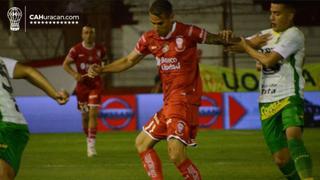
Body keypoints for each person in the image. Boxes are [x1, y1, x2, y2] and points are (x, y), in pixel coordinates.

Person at [88, 0, 238, 179]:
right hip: (169, 103)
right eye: (153, 23)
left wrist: (227, 36)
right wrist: (102, 69)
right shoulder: (149, 39)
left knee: (175, 154)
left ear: (171, 17)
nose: (157, 27)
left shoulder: (188, 32)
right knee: (141, 143)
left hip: (183, 100)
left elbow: (216, 39)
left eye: (161, 23)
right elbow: (128, 60)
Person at [233, 0, 313, 179]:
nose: (272, 17)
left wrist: (248, 47)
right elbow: (235, 45)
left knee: (294, 138)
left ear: (290, 15)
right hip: (267, 101)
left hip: (289, 94)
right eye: (271, 13)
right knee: (281, 159)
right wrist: (224, 38)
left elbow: (269, 60)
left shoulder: (294, 35)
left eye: (277, 13)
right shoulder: (265, 35)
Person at [0, 56, 69, 180]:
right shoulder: (1, 61)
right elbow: (28, 71)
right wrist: (54, 93)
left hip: (5, 125)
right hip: (14, 125)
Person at [63, 25, 106, 157]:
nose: (89, 35)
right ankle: (88, 139)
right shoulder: (76, 49)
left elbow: (105, 63)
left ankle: (91, 146)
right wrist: (75, 75)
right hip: (82, 88)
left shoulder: (100, 49)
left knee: (93, 113)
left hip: (95, 86)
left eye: (91, 33)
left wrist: (101, 71)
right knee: (85, 116)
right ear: (82, 35)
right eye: (86, 33)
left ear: (94, 34)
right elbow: (65, 64)